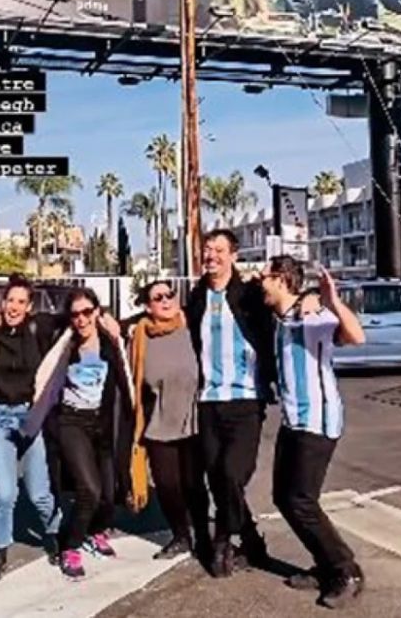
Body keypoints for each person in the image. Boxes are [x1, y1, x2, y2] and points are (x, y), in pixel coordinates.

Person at [259, 257, 366, 609]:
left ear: (282, 279)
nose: (260, 280)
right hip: (293, 422)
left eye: (266, 276)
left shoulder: (313, 316)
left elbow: (356, 336)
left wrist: (330, 301)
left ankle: (345, 570)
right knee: (284, 498)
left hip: (317, 422)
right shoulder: (281, 318)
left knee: (302, 501)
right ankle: (325, 565)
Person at [185, 230, 276, 578]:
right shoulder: (197, 297)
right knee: (218, 478)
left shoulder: (250, 294)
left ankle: (223, 539)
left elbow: (285, 300)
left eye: (219, 251)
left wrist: (312, 299)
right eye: (207, 251)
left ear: (233, 256)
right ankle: (252, 540)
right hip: (208, 401)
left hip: (246, 400)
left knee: (232, 473)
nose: (211, 257)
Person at [40, 288, 139, 580]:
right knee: (89, 490)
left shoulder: (110, 342)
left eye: (87, 312)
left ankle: (96, 530)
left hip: (103, 424)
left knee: (109, 494)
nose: (81, 320)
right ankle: (69, 546)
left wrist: (116, 326)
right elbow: (39, 320)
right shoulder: (64, 343)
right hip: (72, 422)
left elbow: (145, 318)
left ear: (97, 311)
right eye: (75, 314)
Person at [0, 275, 62, 583]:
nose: (14, 307)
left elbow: (73, 318)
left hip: (31, 417)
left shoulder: (38, 329)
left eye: (20, 302)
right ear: (2, 303)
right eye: (10, 300)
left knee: (39, 493)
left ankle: (54, 533)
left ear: (29, 307)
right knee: (4, 493)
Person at [128, 280, 211, 561]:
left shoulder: (191, 324)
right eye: (157, 297)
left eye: (169, 294)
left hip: (193, 421)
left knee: (194, 484)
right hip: (158, 423)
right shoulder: (141, 334)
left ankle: (203, 536)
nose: (165, 301)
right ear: (148, 306)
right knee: (166, 485)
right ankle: (180, 536)